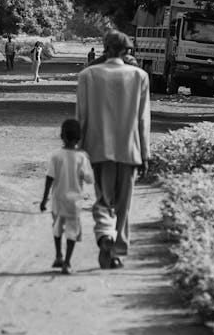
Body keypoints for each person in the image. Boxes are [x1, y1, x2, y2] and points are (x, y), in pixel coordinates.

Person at [76, 30, 150, 270]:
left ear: (105, 48)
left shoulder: (87, 75)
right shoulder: (140, 76)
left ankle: (105, 235)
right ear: (127, 51)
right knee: (123, 204)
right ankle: (117, 250)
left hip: (97, 149)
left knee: (103, 199)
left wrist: (78, 149)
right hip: (130, 150)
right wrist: (145, 153)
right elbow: (143, 120)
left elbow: (82, 117)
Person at [39, 117, 94, 274]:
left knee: (57, 227)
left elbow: (49, 177)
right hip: (74, 202)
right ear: (79, 138)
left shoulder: (56, 155)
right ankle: (67, 263)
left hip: (57, 199)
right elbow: (89, 179)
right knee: (72, 230)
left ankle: (58, 255)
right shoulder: (82, 157)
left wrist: (44, 199)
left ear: (61, 136)